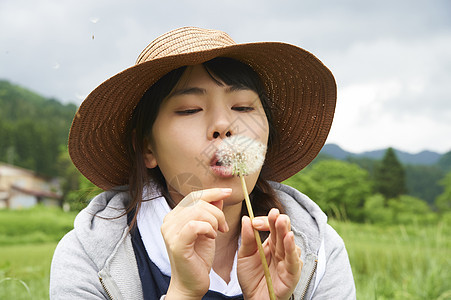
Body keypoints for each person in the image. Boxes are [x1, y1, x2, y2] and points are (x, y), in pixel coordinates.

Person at [50, 27, 355, 299]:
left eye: (243, 106)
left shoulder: (317, 249)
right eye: (190, 110)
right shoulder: (89, 259)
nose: (223, 124)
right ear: (146, 147)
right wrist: (182, 293)